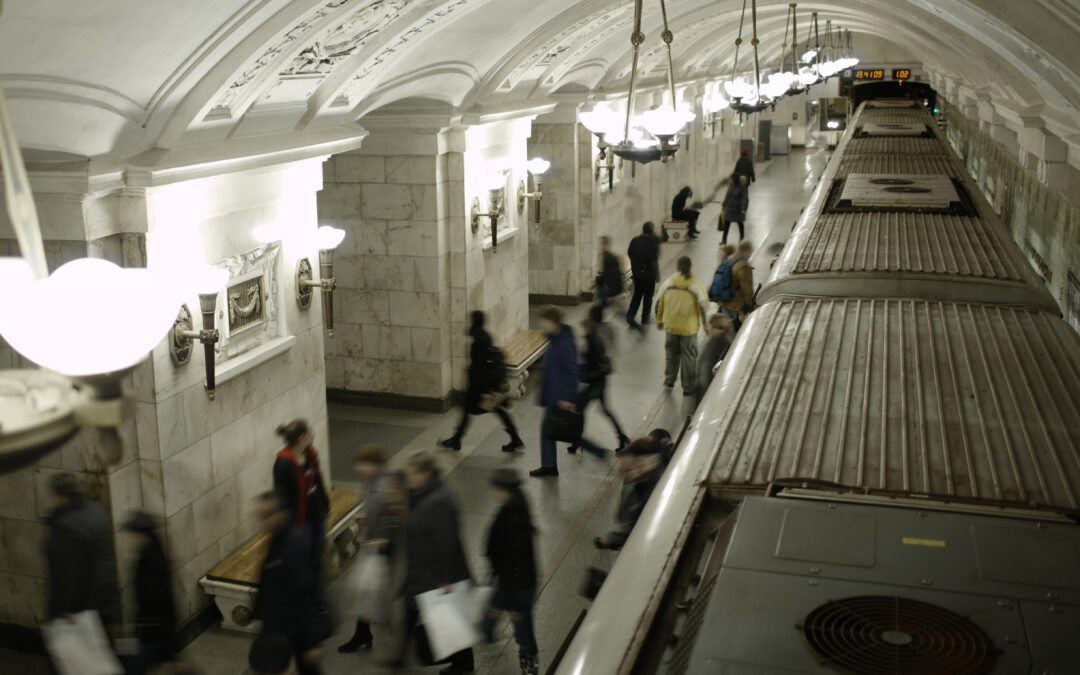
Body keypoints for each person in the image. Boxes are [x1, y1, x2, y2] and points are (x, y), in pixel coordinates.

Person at [392, 450, 475, 674]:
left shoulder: (439, 501)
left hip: (435, 575)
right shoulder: (425, 492)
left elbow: (446, 542)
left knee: (448, 621)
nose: (410, 478)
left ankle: (463, 665)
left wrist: (445, 579)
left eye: (414, 473)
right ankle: (400, 655)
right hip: (422, 571)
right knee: (421, 614)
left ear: (426, 473)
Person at [251, 492, 330, 675]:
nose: (261, 521)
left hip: (294, 634)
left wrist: (311, 643)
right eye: (260, 515)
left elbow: (306, 592)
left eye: (266, 515)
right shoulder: (278, 539)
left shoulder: (293, 545)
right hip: (281, 630)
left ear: (282, 514)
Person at [338, 445, 405, 654]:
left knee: (381, 593)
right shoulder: (369, 482)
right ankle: (363, 632)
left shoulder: (389, 484)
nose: (359, 468)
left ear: (376, 465)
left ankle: (395, 641)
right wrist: (366, 519)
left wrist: (385, 538)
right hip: (372, 545)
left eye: (363, 464)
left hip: (387, 550)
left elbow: (397, 517)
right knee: (369, 591)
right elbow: (376, 510)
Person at [44, 473, 120, 634]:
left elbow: (67, 572)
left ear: (60, 496)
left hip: (81, 608)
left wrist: (66, 608)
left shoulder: (66, 527)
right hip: (105, 597)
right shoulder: (95, 509)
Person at [440, 310, 524, 453]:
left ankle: (457, 439)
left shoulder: (479, 340)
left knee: (483, 409)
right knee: (488, 410)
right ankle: (457, 439)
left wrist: (485, 391)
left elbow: (481, 367)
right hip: (483, 385)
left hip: (481, 387)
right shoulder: (484, 336)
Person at [482, 469, 539, 675]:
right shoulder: (512, 508)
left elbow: (517, 564)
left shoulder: (514, 520)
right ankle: (488, 633)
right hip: (507, 581)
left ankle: (530, 662)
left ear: (504, 490)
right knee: (488, 619)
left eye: (494, 488)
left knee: (522, 629)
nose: (491, 492)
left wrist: (512, 603)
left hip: (517, 587)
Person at [122, 510, 178, 674]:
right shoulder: (149, 556)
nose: (129, 539)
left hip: (152, 636)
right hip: (149, 634)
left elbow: (166, 607)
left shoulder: (151, 564)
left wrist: (170, 653)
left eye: (132, 534)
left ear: (141, 535)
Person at [569, 305, 629, 453]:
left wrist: (584, 376)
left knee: (579, 408)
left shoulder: (593, 338)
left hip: (595, 383)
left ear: (592, 319)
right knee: (605, 410)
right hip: (599, 382)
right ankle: (622, 437)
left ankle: (578, 441)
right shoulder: (597, 333)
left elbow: (598, 364)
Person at [272, 420, 330, 569]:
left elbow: (318, 481)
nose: (313, 434)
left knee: (317, 556)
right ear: (301, 438)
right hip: (301, 522)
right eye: (310, 432)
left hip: (318, 514)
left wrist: (325, 504)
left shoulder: (310, 455)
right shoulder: (283, 464)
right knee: (303, 560)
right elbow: (282, 498)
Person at [531, 306, 579, 478]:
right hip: (554, 393)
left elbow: (572, 371)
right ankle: (549, 465)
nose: (540, 325)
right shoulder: (556, 339)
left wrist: (568, 397)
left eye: (543, 322)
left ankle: (549, 466)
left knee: (552, 430)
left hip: (559, 396)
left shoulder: (564, 342)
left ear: (552, 322)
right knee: (550, 430)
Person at [595, 439, 666, 550]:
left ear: (645, 463)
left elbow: (635, 529)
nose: (624, 474)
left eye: (628, 469)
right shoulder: (650, 476)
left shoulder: (649, 492)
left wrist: (611, 539)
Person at [655, 256, 709, 396]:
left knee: (671, 354)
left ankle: (669, 381)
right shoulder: (695, 285)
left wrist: (659, 320)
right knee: (689, 356)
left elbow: (659, 302)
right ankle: (688, 387)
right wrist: (706, 324)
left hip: (671, 325)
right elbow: (703, 307)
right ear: (690, 267)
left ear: (677, 267)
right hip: (688, 328)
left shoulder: (669, 283)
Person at [625, 222, 661, 331]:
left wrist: (637, 264)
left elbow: (629, 253)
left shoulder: (634, 241)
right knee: (648, 297)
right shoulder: (650, 244)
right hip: (649, 277)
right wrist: (657, 276)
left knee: (637, 295)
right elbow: (654, 262)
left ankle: (630, 315)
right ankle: (645, 318)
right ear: (651, 231)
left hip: (637, 275)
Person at [696, 314, 735, 406]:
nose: (710, 329)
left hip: (710, 391)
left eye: (712, 327)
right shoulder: (720, 339)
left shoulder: (721, 343)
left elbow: (707, 370)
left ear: (720, 328)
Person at [717, 241, 755, 330]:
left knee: (726, 328)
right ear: (747, 251)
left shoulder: (729, 259)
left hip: (723, 301)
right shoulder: (744, 265)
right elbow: (747, 290)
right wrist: (749, 306)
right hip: (736, 305)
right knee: (735, 330)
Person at [593, 236, 624, 309]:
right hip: (612, 286)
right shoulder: (606, 255)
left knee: (601, 298)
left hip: (614, 287)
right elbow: (603, 273)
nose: (599, 246)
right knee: (600, 296)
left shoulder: (608, 257)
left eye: (601, 244)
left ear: (605, 245)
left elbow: (611, 275)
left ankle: (612, 303)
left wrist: (600, 284)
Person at [721, 174, 750, 245]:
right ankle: (724, 240)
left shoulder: (742, 187)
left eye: (731, 179)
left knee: (740, 224)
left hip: (738, 209)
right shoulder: (731, 186)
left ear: (735, 179)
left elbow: (744, 198)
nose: (730, 180)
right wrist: (724, 204)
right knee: (727, 224)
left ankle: (742, 238)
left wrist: (743, 207)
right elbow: (727, 196)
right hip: (730, 208)